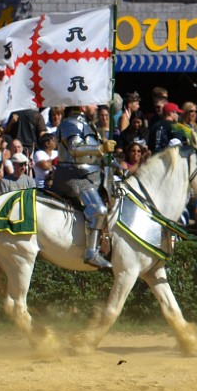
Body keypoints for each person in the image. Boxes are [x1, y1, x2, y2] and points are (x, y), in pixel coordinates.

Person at [53, 104, 116, 269]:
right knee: (98, 209)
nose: (95, 106)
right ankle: (91, 252)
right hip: (73, 175)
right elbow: (74, 148)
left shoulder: (90, 124)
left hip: (92, 174)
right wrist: (100, 148)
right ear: (82, 104)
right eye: (92, 103)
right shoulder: (71, 123)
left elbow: (94, 157)